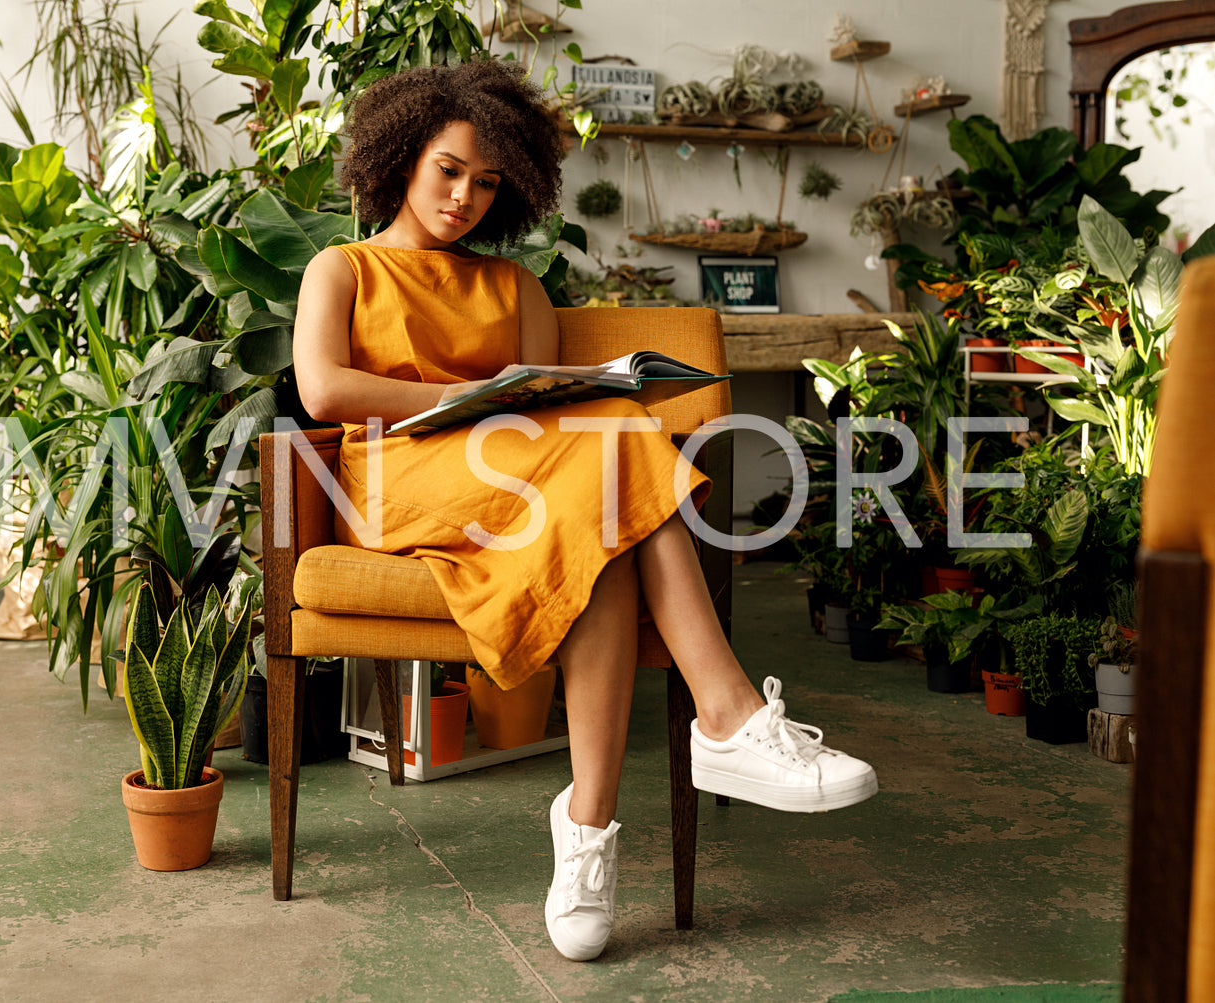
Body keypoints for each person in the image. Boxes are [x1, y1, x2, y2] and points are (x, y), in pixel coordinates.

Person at [291, 59, 876, 962]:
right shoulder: (343, 269)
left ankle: (588, 831)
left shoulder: (516, 288)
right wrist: (471, 392)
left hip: (518, 479)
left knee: (601, 497)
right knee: (611, 446)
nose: (465, 197)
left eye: (487, 182)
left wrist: (527, 396)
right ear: (402, 155)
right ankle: (725, 717)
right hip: (394, 476)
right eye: (449, 169)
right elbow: (324, 388)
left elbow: (544, 408)